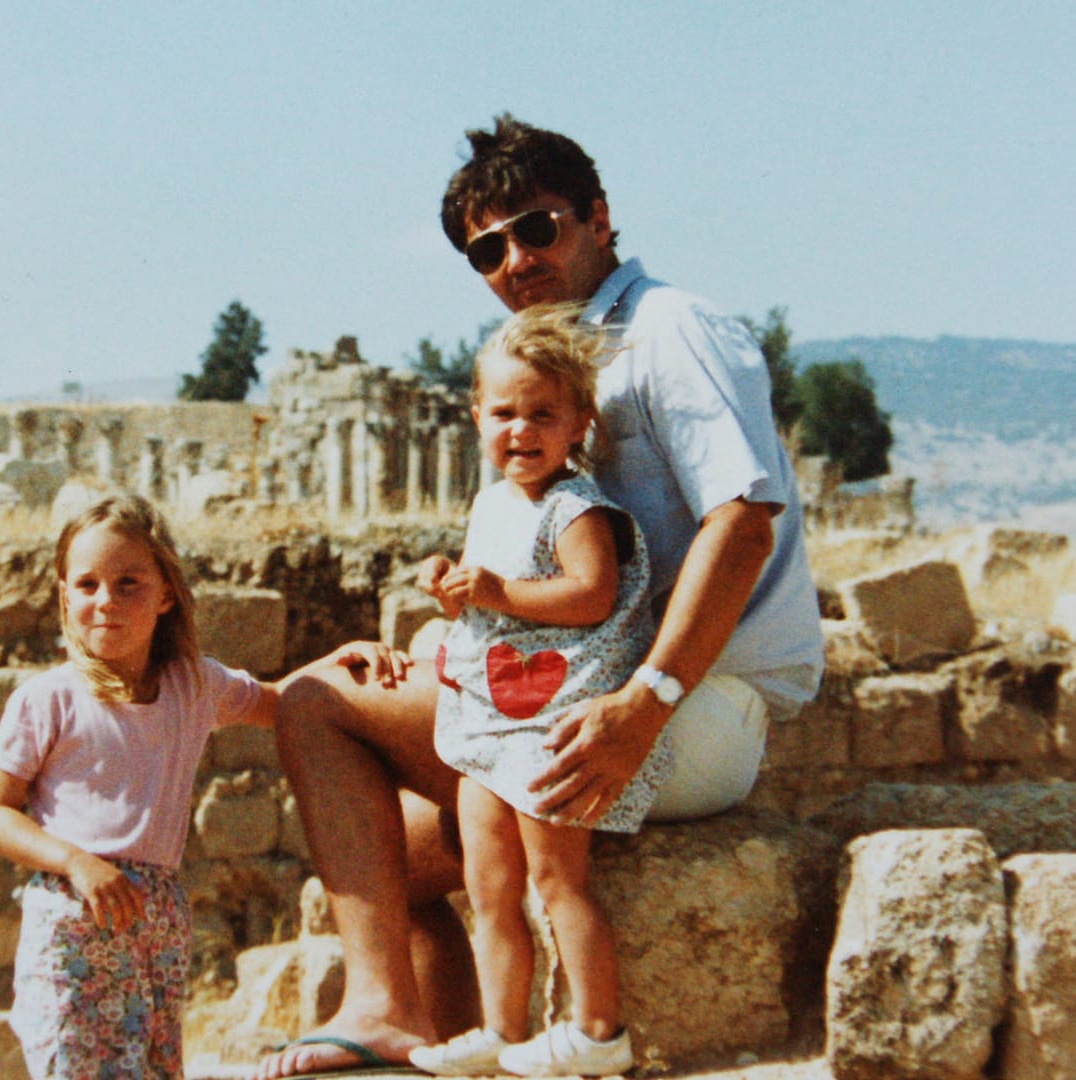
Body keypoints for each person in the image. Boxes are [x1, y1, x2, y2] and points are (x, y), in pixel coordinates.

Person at [254, 114, 824, 1079]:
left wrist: (648, 702)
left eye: (536, 228)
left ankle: (381, 1007)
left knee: (312, 701)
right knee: (385, 852)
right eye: (486, 248)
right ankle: (464, 1042)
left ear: (599, 218)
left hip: (692, 707)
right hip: (581, 687)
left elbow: (742, 523)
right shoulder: (553, 364)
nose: (514, 259)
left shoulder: (670, 330)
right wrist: (441, 654)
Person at [0, 494, 397, 1078]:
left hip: (158, 920)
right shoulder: (47, 699)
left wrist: (343, 662)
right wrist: (75, 862)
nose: (105, 602)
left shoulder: (192, 686)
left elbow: (282, 703)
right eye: (88, 584)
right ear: (64, 594)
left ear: (165, 594)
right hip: (73, 919)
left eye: (128, 584)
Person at [408, 305, 653, 1077]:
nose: (522, 430)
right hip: (493, 720)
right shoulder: (491, 505)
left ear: (580, 421)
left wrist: (500, 591)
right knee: (489, 882)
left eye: (543, 414)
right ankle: (503, 1029)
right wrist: (455, 591)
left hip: (553, 719)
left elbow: (591, 595)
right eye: (505, 413)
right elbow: (493, 603)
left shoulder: (576, 508)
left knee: (556, 877)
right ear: (477, 415)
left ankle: (598, 1028)